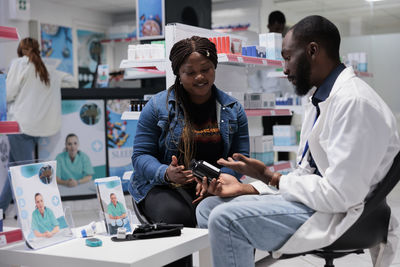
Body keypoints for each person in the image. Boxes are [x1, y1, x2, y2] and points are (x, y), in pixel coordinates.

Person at [196, 15, 400, 267]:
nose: (284, 68)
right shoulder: (320, 99)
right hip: (320, 203)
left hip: (342, 215)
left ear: (313, 51)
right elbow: (305, 173)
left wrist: (271, 177)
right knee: (207, 208)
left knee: (224, 219)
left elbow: (341, 195)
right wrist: (250, 187)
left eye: (288, 57)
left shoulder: (354, 103)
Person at [128, 36, 249, 267]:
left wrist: (223, 178)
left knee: (238, 217)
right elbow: (140, 156)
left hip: (214, 185)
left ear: (214, 68)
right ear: (178, 74)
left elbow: (240, 158)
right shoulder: (157, 107)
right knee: (178, 220)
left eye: (206, 69)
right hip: (162, 187)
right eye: (190, 72)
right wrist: (166, 172)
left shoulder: (233, 110)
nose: (200, 77)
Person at [0, 37, 76, 215]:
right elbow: (72, 81)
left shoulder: (19, 64)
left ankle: (39, 215)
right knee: (15, 170)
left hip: (19, 126)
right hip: (39, 128)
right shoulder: (49, 69)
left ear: (20, 52)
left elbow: (8, 94)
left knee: (27, 173)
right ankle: (1, 208)